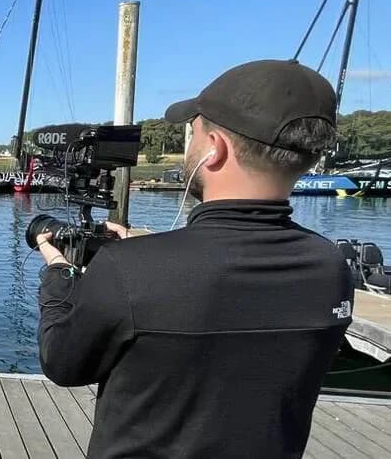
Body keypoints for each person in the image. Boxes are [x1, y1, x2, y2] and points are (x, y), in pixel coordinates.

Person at [35, 60, 354, 458]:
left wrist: (58, 274)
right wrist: (144, 251)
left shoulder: (128, 269)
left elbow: (63, 364)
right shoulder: (329, 266)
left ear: (215, 148)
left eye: (194, 133)